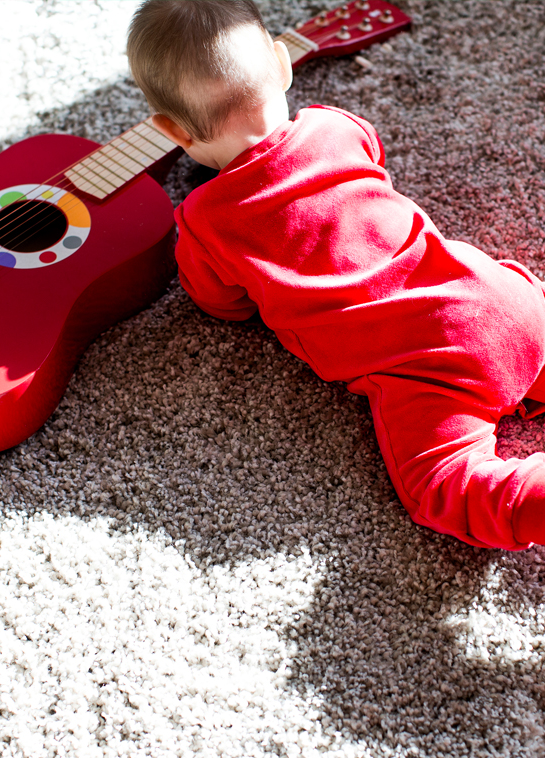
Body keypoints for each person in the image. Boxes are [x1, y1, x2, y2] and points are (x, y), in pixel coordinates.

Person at [127, 0, 545, 550]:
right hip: (499, 296)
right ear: (282, 65)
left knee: (444, 486)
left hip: (423, 364)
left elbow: (220, 304)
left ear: (169, 130)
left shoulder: (205, 223)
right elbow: (374, 167)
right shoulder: (337, 125)